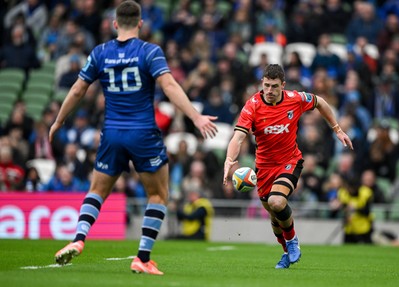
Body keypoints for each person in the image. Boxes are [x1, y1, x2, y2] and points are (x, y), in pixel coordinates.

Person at [49, 0, 218, 275]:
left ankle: (78, 239)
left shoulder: (100, 52)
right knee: (158, 194)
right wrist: (195, 117)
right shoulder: (149, 51)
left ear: (115, 24)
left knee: (97, 191)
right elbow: (169, 85)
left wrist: (59, 120)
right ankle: (142, 257)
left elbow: (79, 89)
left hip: (112, 133)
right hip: (143, 133)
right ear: (140, 23)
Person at [223, 64, 353, 269]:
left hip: (289, 161)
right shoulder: (252, 105)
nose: (270, 91)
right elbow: (238, 137)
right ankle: (286, 251)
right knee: (274, 214)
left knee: (276, 201)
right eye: (266, 85)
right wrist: (229, 160)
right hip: (264, 168)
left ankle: (293, 241)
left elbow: (321, 102)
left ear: (283, 85)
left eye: (274, 86)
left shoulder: (295, 99)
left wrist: (337, 129)